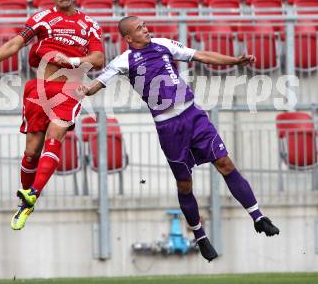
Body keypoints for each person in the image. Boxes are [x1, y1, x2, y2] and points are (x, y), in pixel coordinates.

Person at [77, 16, 280, 262]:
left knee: (225, 163)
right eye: (139, 28)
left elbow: (201, 55)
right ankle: (200, 236)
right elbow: (99, 82)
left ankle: (258, 217)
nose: (145, 29)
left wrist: (235, 61)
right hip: (169, 127)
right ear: (129, 38)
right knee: (185, 184)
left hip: (193, 115)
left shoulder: (164, 44)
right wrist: (86, 90)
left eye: (144, 25)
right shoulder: (123, 61)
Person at [0, 0, 104, 230]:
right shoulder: (42, 19)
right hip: (39, 90)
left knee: (55, 135)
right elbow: (15, 43)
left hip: (70, 88)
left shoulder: (89, 24)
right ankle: (26, 201)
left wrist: (73, 61)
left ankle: (33, 192)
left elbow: (99, 58)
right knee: (31, 151)